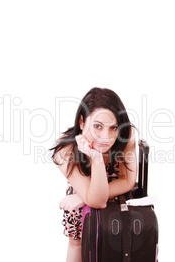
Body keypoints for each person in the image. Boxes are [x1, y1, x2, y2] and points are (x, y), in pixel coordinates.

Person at [50, 87, 137, 262]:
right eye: (97, 126)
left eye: (113, 127)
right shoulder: (65, 151)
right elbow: (96, 201)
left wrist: (85, 198)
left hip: (117, 197)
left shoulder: (125, 137)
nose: (106, 137)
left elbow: (127, 180)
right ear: (82, 122)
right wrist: (96, 159)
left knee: (117, 242)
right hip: (85, 191)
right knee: (77, 240)